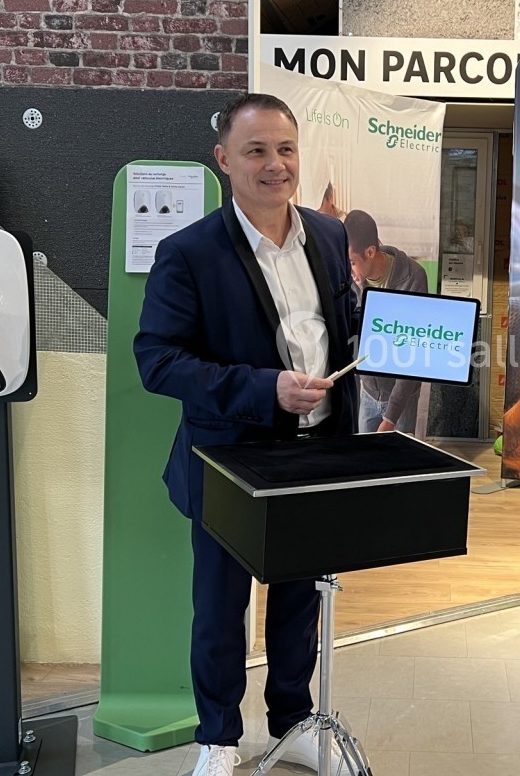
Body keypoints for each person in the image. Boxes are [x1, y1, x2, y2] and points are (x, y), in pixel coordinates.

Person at [134, 93, 359, 776]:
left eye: (285, 149)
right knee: (220, 608)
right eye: (256, 150)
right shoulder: (188, 253)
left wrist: (397, 341)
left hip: (315, 455)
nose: (274, 164)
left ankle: (292, 724)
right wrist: (267, 390)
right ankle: (218, 737)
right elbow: (158, 361)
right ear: (224, 160)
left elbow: (340, 326)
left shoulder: (329, 236)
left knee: (299, 600)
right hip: (229, 461)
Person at [343, 209, 430, 433]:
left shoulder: (413, 277)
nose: (348, 268)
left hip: (402, 397)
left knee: (399, 454)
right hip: (368, 390)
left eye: (352, 262)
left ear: (370, 252)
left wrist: (391, 416)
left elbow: (412, 351)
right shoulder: (350, 280)